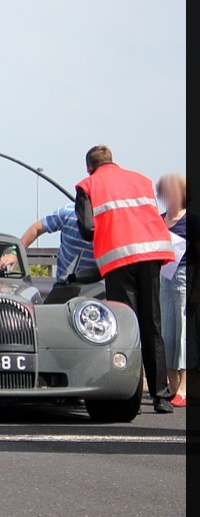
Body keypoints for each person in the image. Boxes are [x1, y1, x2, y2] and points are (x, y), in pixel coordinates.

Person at [76, 145, 177, 413]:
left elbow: (87, 229)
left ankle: (129, 393)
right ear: (113, 161)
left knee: (126, 328)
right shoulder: (141, 180)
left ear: (89, 166)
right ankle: (161, 396)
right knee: (151, 325)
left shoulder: (88, 184)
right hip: (151, 255)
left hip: (119, 259)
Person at [157, 173, 187, 407]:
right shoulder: (158, 219)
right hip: (163, 277)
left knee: (183, 330)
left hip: (185, 278)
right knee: (164, 329)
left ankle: (184, 388)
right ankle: (172, 383)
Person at [20, 202, 98, 282]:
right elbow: (36, 228)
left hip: (98, 287)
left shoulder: (109, 219)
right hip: (65, 285)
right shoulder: (67, 212)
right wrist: (15, 254)